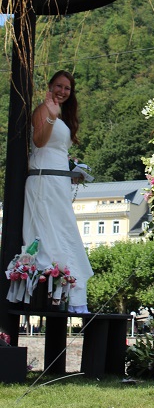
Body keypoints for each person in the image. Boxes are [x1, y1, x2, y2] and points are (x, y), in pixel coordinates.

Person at [21, 70, 93, 313]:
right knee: (51, 231)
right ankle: (58, 288)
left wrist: (73, 171)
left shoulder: (63, 115)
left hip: (59, 180)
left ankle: (73, 293)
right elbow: (40, 142)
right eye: (59, 86)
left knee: (64, 230)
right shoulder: (44, 110)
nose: (62, 91)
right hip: (44, 180)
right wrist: (51, 117)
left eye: (67, 88)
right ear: (50, 86)